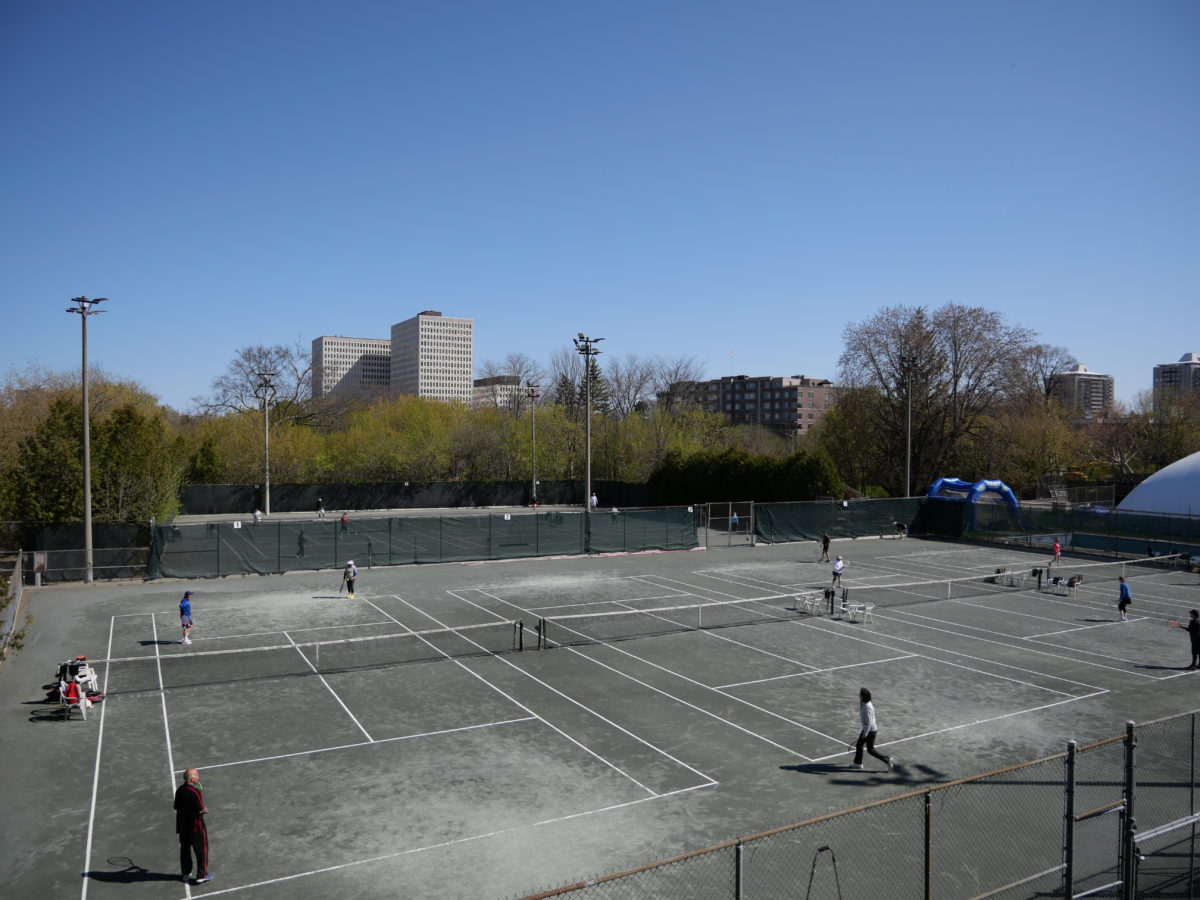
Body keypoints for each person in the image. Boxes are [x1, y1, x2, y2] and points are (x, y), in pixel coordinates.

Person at [174, 767, 211, 884]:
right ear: (192, 779)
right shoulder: (195, 792)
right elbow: (200, 810)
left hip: (182, 827)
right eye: (197, 776)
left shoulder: (179, 790)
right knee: (202, 850)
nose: (198, 777)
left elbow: (176, 806)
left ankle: (185, 873)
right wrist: (205, 809)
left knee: (185, 850)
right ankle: (201, 875)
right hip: (196, 827)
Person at [849, 687, 893, 771]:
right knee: (859, 745)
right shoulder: (863, 702)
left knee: (870, 750)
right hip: (867, 728)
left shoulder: (867, 707)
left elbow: (869, 721)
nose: (858, 695)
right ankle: (858, 763)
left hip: (870, 730)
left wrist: (865, 733)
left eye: (860, 694)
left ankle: (887, 760)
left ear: (863, 696)